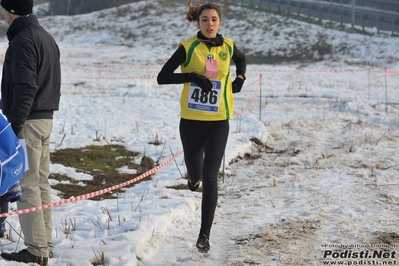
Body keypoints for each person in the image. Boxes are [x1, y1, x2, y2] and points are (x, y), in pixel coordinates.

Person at [157, 1, 246, 253]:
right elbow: (162, 77)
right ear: (198, 23)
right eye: (205, 19)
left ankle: (204, 235)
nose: (210, 24)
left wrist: (240, 77)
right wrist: (192, 76)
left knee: (211, 177)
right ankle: (192, 180)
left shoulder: (228, 46)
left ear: (220, 23)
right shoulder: (188, 47)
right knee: (195, 174)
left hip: (219, 122)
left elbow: (242, 59)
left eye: (214, 20)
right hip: (191, 123)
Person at [0, 0, 61, 265]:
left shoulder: (23, 40)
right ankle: (45, 244)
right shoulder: (45, 36)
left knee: (27, 185)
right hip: (44, 119)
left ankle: (36, 249)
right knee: (40, 182)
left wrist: (13, 128)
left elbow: (26, 87)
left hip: (28, 122)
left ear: (9, 10)